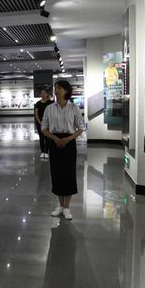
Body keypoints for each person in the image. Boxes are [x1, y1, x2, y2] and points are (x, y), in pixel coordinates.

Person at [41, 79, 84, 220]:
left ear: (66, 90)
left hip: (69, 143)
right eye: (55, 88)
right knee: (57, 173)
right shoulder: (49, 108)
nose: (56, 90)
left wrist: (67, 139)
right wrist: (55, 138)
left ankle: (67, 207)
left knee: (69, 173)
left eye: (59, 88)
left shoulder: (74, 108)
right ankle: (60, 205)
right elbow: (44, 128)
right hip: (54, 142)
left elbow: (80, 128)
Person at [34, 88, 53, 159]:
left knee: (47, 137)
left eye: (45, 93)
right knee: (41, 137)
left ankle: (46, 152)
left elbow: (52, 112)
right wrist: (39, 122)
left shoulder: (50, 103)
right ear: (40, 94)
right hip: (40, 123)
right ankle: (42, 152)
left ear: (47, 94)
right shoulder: (38, 103)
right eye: (42, 93)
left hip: (48, 123)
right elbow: (36, 114)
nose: (43, 94)